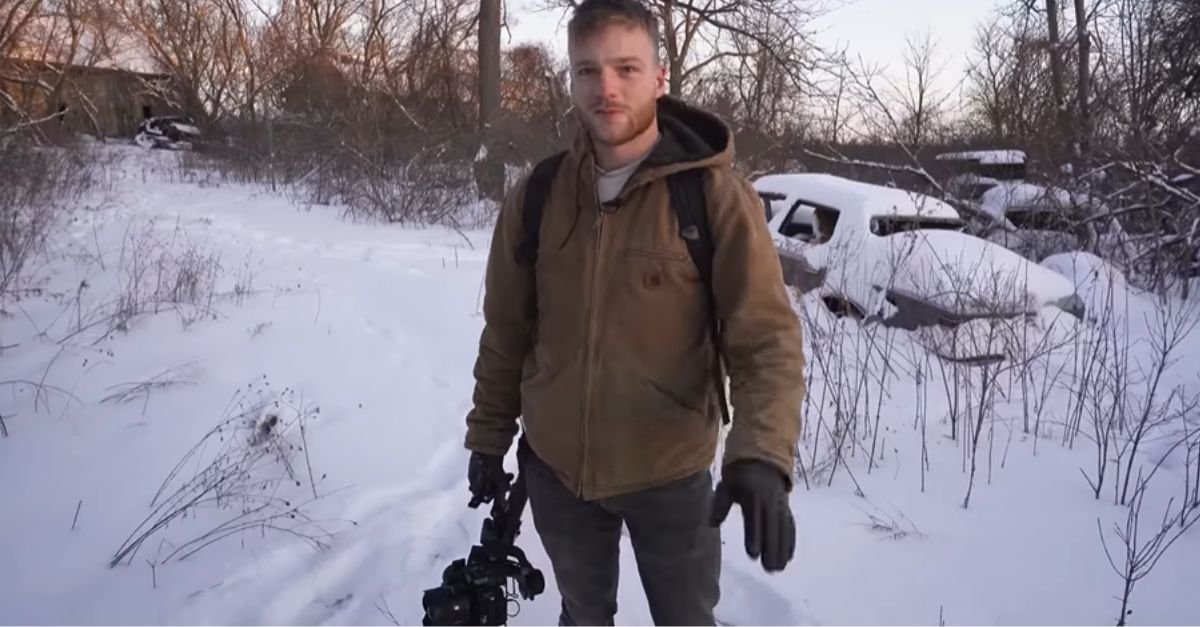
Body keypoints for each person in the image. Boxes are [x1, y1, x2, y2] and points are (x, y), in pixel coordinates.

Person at [462, 0, 807, 623]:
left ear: (659, 76)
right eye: (588, 71)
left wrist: (761, 455)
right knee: (582, 614)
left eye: (626, 67)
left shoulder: (714, 198)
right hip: (558, 472)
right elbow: (506, 332)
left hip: (669, 476)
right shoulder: (538, 196)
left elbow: (766, 341)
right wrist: (489, 436)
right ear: (570, 80)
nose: (607, 88)